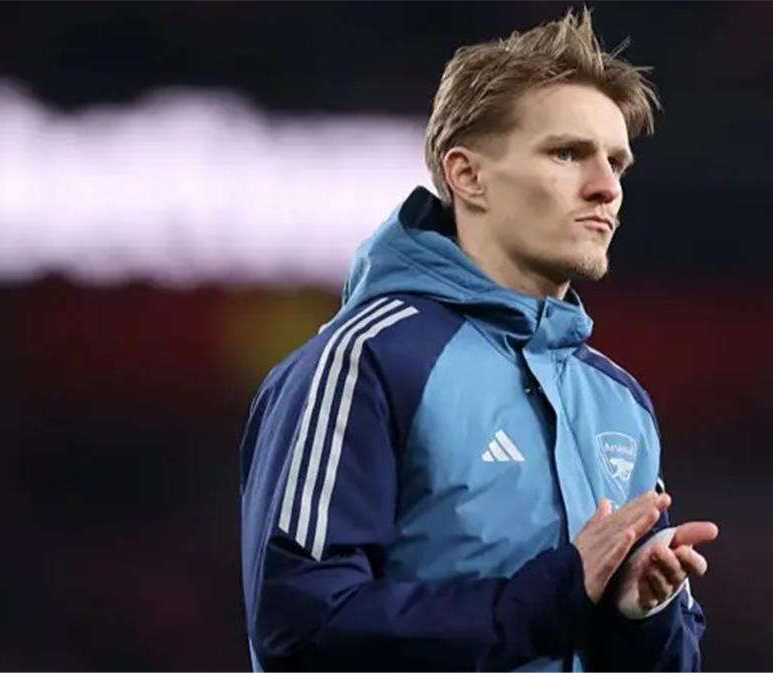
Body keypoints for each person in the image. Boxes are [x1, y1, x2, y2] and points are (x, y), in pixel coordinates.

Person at [239, 8, 719, 671]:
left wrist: (637, 615)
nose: (606, 188)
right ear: (467, 176)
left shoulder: (619, 402)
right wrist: (557, 594)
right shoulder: (367, 359)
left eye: (616, 162)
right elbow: (300, 631)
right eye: (567, 153)